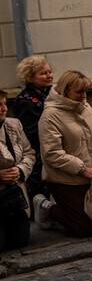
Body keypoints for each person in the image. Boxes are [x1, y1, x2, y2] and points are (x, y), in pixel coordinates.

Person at [34, 70, 92, 237]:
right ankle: (46, 206)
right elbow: (52, 154)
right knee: (86, 229)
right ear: (65, 90)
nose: (84, 96)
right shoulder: (50, 116)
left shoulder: (85, 107)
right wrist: (83, 169)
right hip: (65, 178)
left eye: (86, 91)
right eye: (79, 92)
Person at [12, 54, 51, 200]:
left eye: (49, 72)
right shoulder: (26, 100)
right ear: (30, 77)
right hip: (38, 151)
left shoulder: (52, 93)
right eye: (43, 73)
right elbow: (30, 132)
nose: (48, 76)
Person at [0, 90, 35, 250]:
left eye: (4, 103)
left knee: (20, 241)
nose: (4, 109)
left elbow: (29, 153)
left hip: (14, 196)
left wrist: (19, 170)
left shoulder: (13, 124)